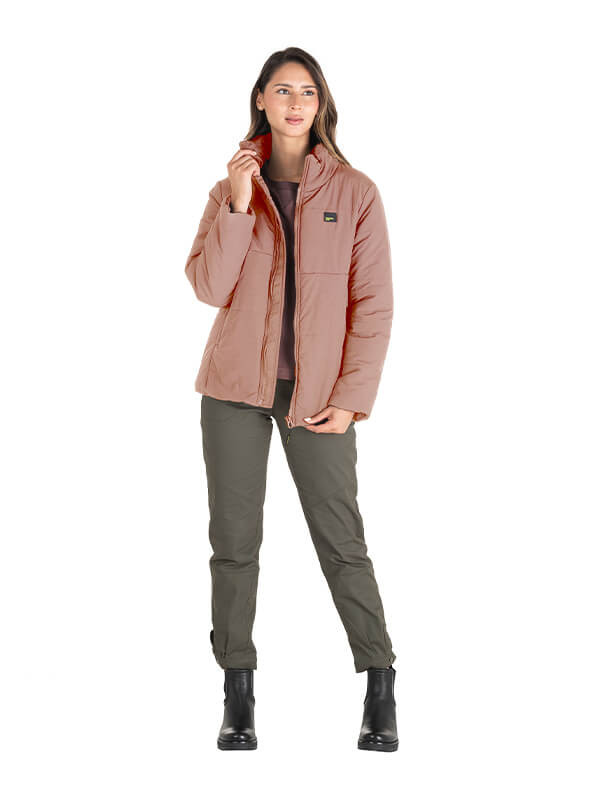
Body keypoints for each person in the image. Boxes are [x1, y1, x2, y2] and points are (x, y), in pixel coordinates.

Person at [184, 47, 398, 752]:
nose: (296, 102)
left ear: (321, 103)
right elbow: (208, 287)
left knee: (342, 541)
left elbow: (373, 307)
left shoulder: (356, 192)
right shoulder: (231, 190)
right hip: (233, 392)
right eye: (283, 90)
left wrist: (352, 398)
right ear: (261, 100)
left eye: (307, 91)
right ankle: (237, 691)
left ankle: (380, 683)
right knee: (233, 544)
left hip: (319, 397)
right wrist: (238, 202)